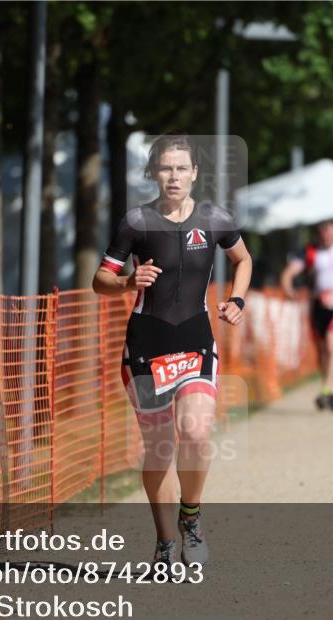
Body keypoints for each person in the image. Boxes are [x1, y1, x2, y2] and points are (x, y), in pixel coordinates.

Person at [92, 133, 252, 569]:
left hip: (195, 341)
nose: (174, 175)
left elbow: (243, 260)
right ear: (154, 173)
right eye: (166, 167)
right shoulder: (136, 223)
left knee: (197, 433)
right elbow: (99, 280)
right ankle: (165, 542)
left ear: (195, 173)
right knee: (160, 448)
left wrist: (236, 300)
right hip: (146, 345)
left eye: (182, 168)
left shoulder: (215, 218)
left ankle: (192, 517)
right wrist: (127, 281)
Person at [280, 220, 333, 411]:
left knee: (332, 345)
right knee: (321, 351)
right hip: (317, 304)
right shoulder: (310, 251)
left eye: (331, 230)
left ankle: (326, 388)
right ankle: (332, 386)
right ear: (319, 233)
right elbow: (289, 272)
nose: (328, 235)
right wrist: (288, 288)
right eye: (324, 231)